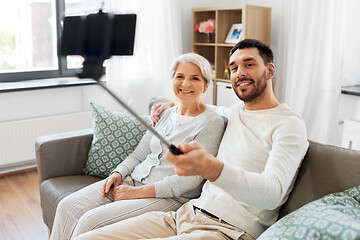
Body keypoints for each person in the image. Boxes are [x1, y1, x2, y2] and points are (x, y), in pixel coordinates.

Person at [74, 39, 309, 240]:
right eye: (234, 68)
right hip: (185, 215)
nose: (240, 73)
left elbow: (273, 194)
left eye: (249, 64)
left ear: (269, 70)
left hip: (227, 231)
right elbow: (208, 110)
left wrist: (214, 168)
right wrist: (173, 105)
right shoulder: (236, 112)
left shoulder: (289, 125)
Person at [49, 52, 226, 240]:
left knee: (89, 222)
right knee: (67, 206)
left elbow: (188, 181)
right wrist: (118, 173)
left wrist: (134, 193)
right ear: (172, 79)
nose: (185, 84)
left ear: (206, 85)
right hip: (132, 180)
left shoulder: (211, 122)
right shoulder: (165, 114)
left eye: (195, 78)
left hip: (168, 197)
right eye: (179, 76)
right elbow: (139, 154)